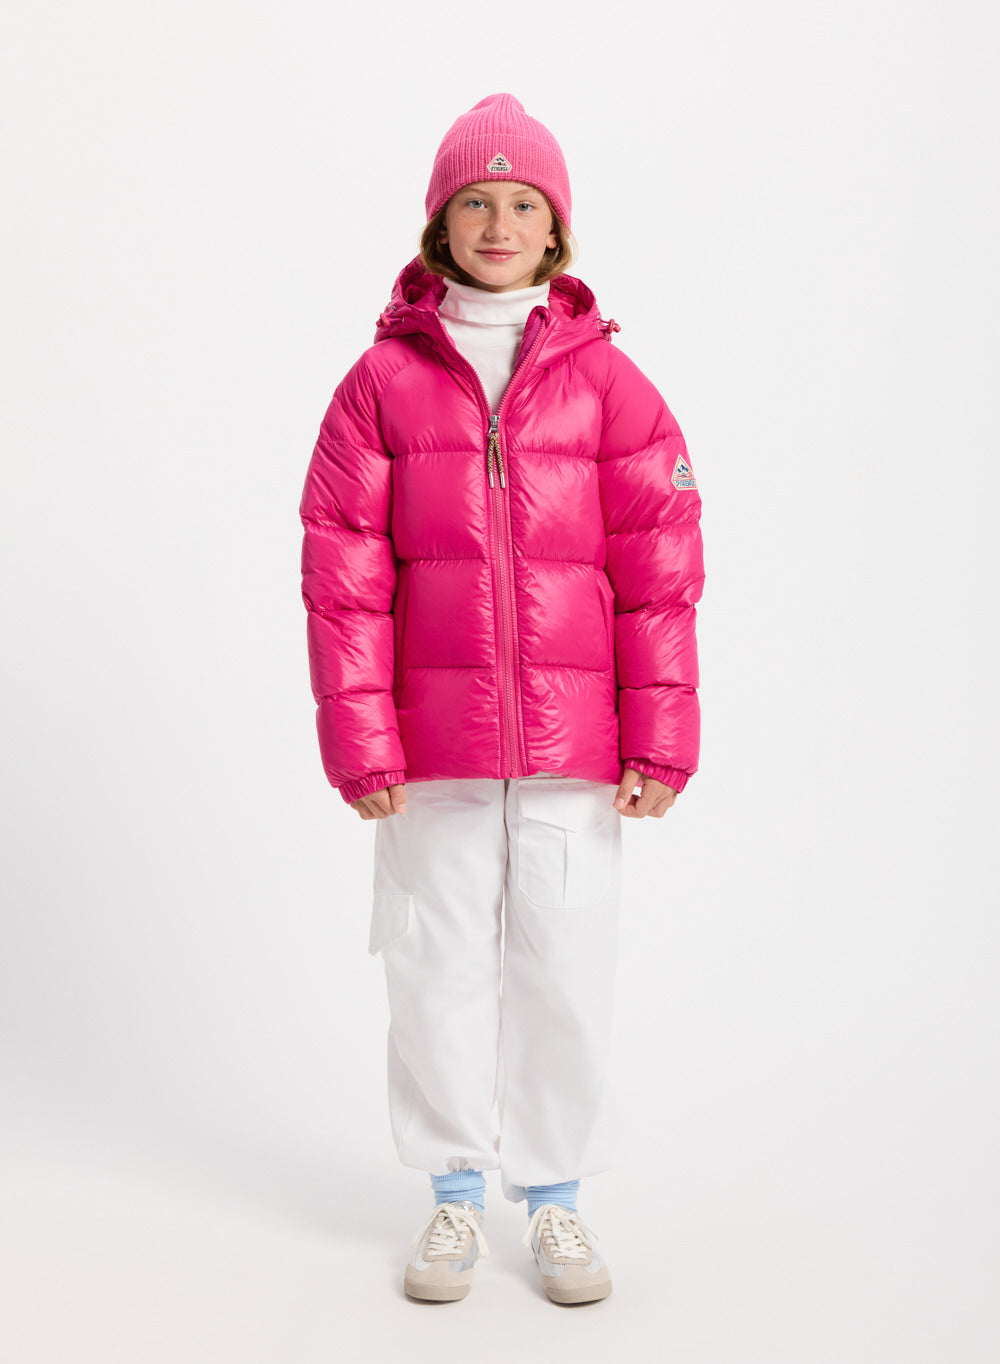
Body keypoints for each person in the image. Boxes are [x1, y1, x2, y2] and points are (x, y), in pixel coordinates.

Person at [298, 93, 704, 1305]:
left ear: (555, 228)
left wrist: (661, 737)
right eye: (475, 200)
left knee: (565, 968)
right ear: (440, 221)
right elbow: (341, 575)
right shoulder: (379, 383)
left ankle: (558, 1197)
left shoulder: (611, 387)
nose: (498, 222)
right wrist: (361, 740)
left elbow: (660, 569)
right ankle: (454, 1194)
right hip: (432, 750)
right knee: (434, 967)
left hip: (577, 749)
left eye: (524, 202)